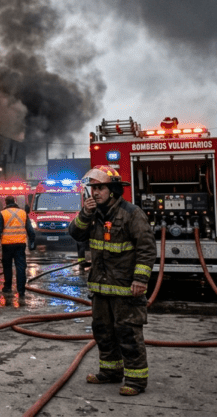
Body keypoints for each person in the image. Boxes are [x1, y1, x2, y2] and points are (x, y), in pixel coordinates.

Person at [69, 165, 155, 396]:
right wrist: (85, 215)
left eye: (100, 188)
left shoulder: (131, 213)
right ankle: (110, 372)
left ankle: (136, 381)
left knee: (127, 333)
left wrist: (140, 279)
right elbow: (75, 234)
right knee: (103, 331)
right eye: (93, 188)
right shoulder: (93, 214)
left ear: (113, 190)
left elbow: (146, 249)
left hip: (126, 288)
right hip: (100, 287)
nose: (95, 192)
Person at [0, 195, 35, 298]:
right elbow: (31, 230)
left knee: (7, 267)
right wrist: (32, 242)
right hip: (20, 244)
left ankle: (7, 287)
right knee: (20, 267)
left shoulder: (2, 214)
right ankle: (21, 290)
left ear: (5, 203)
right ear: (15, 201)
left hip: (7, 245)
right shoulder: (23, 213)